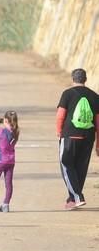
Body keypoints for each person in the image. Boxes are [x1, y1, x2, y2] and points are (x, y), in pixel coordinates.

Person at [56, 68, 99, 210]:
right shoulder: (95, 96)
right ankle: (72, 198)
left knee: (66, 165)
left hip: (70, 135)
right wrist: (98, 143)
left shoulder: (67, 94)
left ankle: (77, 196)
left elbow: (60, 115)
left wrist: (59, 131)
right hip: (88, 137)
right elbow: (98, 122)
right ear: (85, 79)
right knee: (80, 168)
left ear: (73, 79)